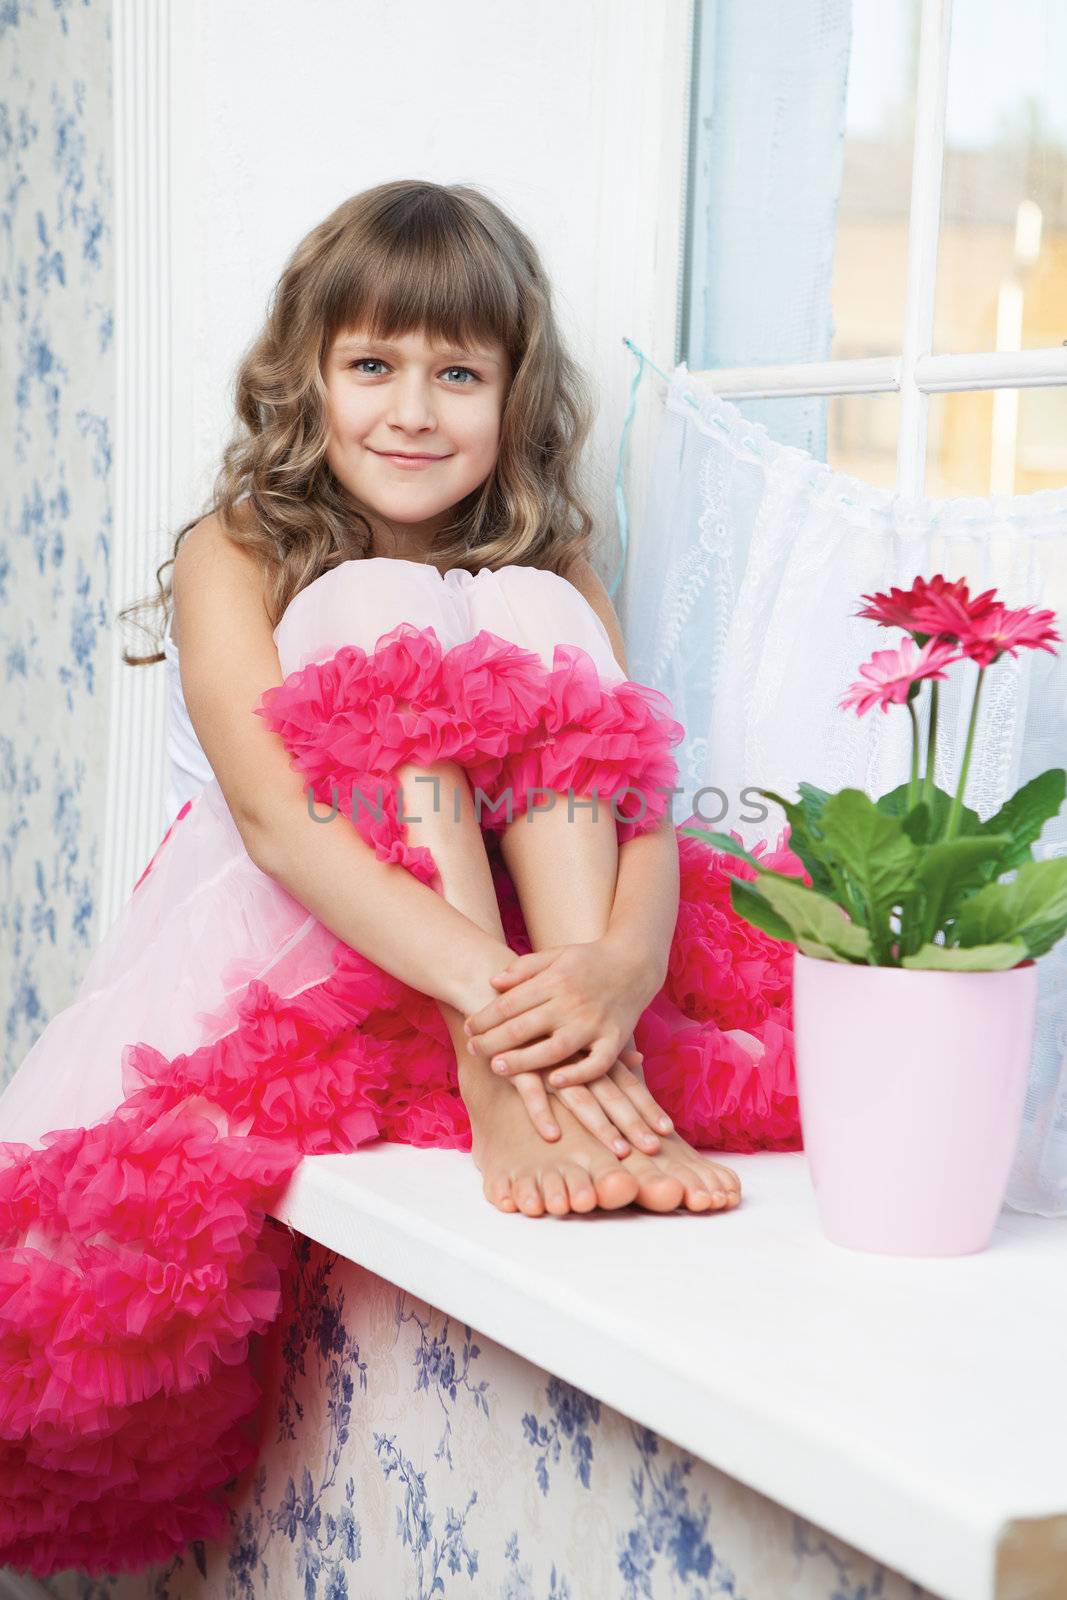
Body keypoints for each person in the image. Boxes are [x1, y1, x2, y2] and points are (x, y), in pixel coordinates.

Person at [0, 180, 801, 1577]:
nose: (413, 410)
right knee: (374, 602)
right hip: (317, 955)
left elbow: (642, 805)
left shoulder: (550, 565)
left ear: (513, 394)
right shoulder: (233, 552)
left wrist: (622, 969)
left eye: (456, 373)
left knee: (529, 601)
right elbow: (281, 825)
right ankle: (521, 1082)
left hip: (531, 949)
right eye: (373, 366)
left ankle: (588, 1071)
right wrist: (505, 1017)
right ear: (308, 383)